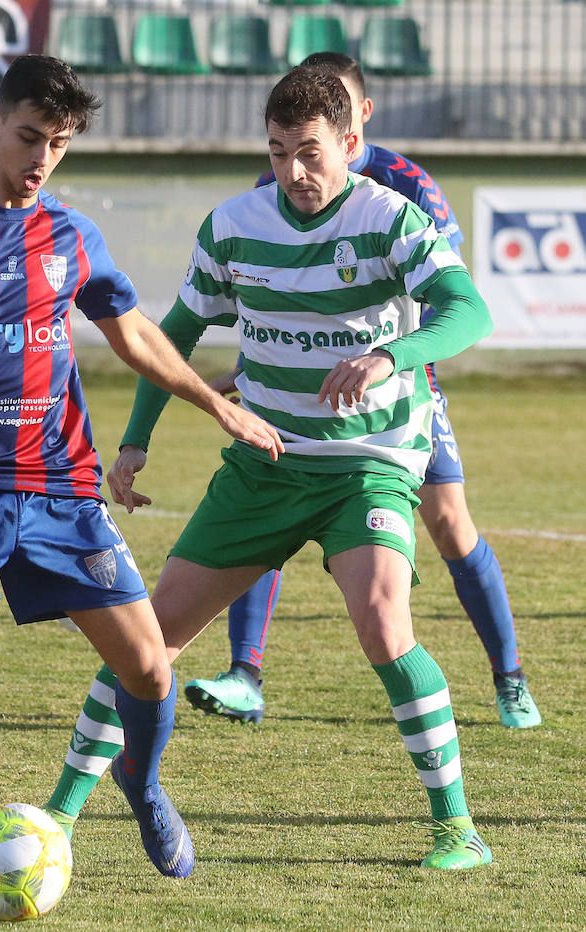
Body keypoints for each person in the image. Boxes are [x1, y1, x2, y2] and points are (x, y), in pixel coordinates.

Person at [0, 54, 283, 899]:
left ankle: (140, 784)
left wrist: (213, 405)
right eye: (30, 136)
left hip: (60, 492)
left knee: (151, 669)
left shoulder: (73, 235)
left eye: (61, 142)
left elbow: (136, 334)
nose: (42, 156)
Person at [48, 65, 496, 869]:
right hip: (267, 461)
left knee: (384, 626)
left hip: (369, 464)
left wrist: (391, 357)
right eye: (279, 151)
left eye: (313, 153)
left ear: (351, 145)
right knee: (147, 640)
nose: (294, 172)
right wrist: (137, 438)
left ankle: (456, 827)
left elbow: (471, 310)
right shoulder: (234, 226)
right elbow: (172, 335)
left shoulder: (392, 219)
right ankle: (58, 816)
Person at [182, 52, 540, 730]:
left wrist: (388, 361)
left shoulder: (405, 186)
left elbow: (451, 302)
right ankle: (244, 674)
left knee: (450, 525)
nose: (296, 165)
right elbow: (272, 298)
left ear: (357, 118)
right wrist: (252, 367)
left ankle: (509, 677)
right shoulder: (280, 181)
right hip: (299, 402)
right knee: (268, 503)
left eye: (331, 112)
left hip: (401, 397)